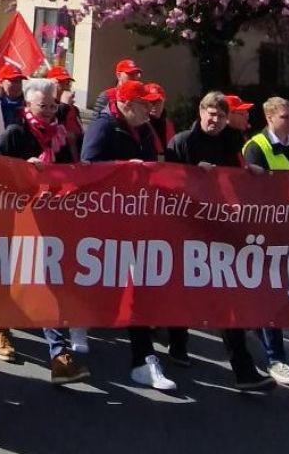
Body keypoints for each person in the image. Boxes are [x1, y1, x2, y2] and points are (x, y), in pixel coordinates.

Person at [164, 91, 276, 391]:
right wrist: (193, 176)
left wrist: (248, 172)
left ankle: (243, 369)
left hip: (220, 230)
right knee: (183, 289)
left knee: (228, 296)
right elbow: (166, 183)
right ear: (201, 112)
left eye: (221, 116)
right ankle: (177, 343)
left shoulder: (230, 140)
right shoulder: (183, 142)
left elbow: (236, 172)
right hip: (186, 230)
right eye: (211, 113)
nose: (215, 120)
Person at [81, 80, 180, 391]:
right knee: (90, 284)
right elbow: (85, 168)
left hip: (135, 221)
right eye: (142, 103)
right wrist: (124, 168)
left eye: (150, 103)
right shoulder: (103, 128)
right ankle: (72, 333)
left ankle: (143, 360)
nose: (149, 109)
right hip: (102, 224)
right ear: (124, 104)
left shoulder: (146, 131)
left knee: (139, 287)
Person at [0, 78, 89, 385]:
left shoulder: (63, 136)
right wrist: (25, 168)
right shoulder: (15, 133)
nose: (49, 112)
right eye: (43, 106)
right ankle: (1, 329)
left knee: (48, 279)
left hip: (49, 218)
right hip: (15, 218)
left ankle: (58, 354)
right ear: (28, 106)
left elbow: (73, 172)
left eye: (53, 106)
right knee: (9, 278)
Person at [240, 96, 289, 388]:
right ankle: (275, 357)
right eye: (284, 117)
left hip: (285, 228)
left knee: (267, 291)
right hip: (260, 231)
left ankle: (253, 328)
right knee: (269, 291)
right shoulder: (255, 147)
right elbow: (253, 191)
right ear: (269, 119)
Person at [46, 66, 84, 156]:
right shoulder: (45, 107)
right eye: (60, 83)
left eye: (67, 83)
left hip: (74, 158)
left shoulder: (74, 110)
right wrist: (63, 105)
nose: (65, 87)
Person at [0, 64, 27, 129]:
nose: (17, 85)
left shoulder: (28, 106)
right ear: (1, 83)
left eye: (19, 81)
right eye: (13, 81)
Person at [146, 82, 176, 156]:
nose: (154, 106)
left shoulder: (168, 124)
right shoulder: (140, 126)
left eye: (158, 101)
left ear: (163, 102)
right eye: (151, 102)